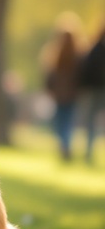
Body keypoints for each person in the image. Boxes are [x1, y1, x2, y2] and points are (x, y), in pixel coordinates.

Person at [41, 15, 84, 161]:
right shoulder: (79, 55)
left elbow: (50, 74)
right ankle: (66, 144)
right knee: (68, 120)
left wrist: (50, 89)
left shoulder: (56, 53)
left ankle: (64, 145)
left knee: (59, 121)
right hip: (72, 94)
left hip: (59, 94)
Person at [79, 26, 105, 163]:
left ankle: (89, 150)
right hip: (97, 90)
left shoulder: (94, 50)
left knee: (91, 121)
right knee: (92, 121)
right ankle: (89, 150)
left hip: (94, 90)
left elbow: (86, 70)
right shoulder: (96, 50)